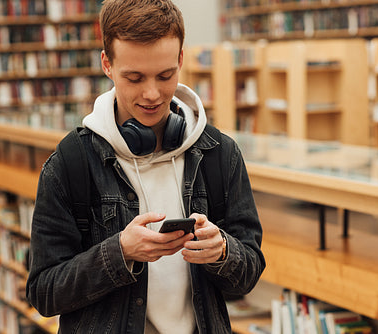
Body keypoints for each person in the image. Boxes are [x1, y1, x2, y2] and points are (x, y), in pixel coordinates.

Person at [26, 0, 266, 333]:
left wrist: (224, 251)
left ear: (181, 59)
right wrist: (119, 252)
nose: (152, 94)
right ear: (107, 64)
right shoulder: (71, 162)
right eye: (134, 78)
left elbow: (248, 276)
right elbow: (44, 292)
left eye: (165, 75)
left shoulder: (220, 153)